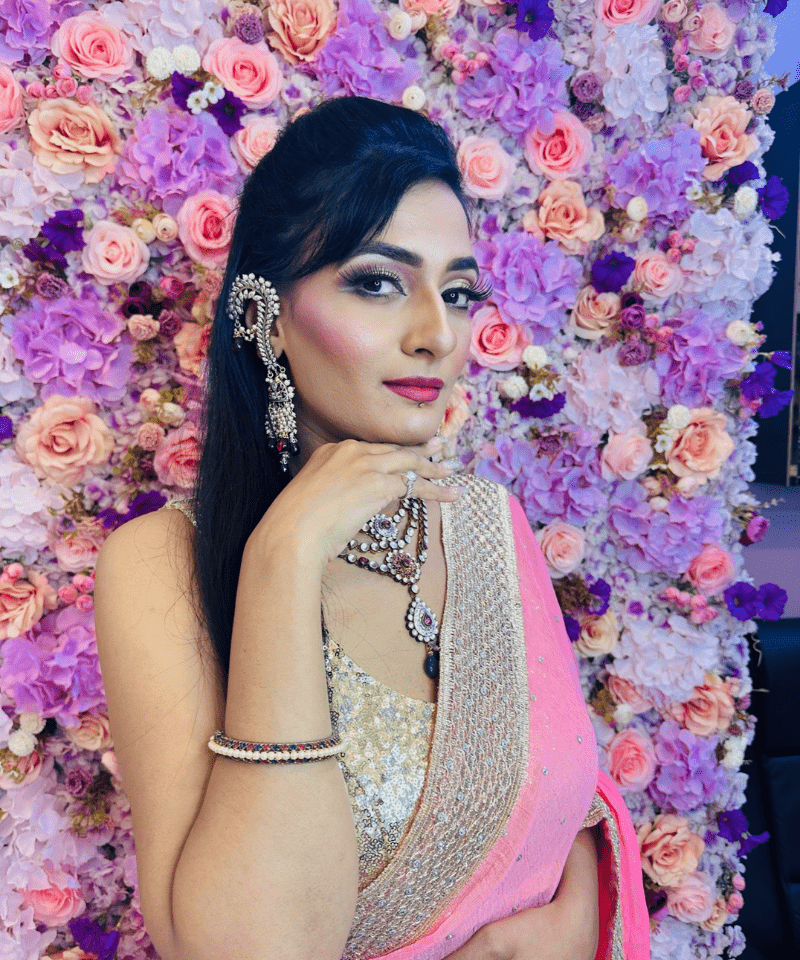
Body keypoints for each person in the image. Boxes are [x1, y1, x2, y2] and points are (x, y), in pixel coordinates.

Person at [94, 96, 650, 960]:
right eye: (378, 282)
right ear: (265, 316)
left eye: (457, 293)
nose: (436, 334)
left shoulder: (488, 526)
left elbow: (564, 801)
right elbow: (251, 949)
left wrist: (569, 912)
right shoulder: (162, 564)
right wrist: (284, 557)